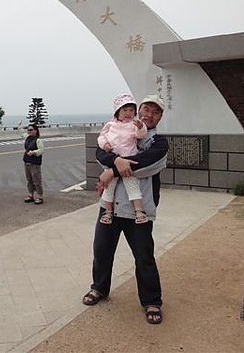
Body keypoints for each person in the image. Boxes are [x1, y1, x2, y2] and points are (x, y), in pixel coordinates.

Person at [82, 95, 168, 325]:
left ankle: (152, 300)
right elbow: (101, 153)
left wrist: (112, 170)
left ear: (160, 117)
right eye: (146, 109)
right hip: (110, 206)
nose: (149, 114)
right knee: (101, 250)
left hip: (138, 210)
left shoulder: (158, 142)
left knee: (144, 257)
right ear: (139, 110)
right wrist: (116, 161)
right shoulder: (121, 129)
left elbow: (146, 165)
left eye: (155, 112)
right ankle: (99, 288)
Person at [96, 93, 148, 225]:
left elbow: (140, 135)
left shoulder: (134, 124)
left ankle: (138, 210)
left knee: (132, 186)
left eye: (131, 110)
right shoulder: (110, 125)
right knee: (109, 187)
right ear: (117, 111)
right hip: (114, 160)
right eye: (124, 110)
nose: (128, 113)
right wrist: (105, 145)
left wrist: (141, 127)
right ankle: (108, 211)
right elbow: (101, 138)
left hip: (128, 161)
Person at [18, 121, 45, 204]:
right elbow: (22, 133)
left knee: (36, 180)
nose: (29, 131)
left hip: (35, 163)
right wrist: (19, 126)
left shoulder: (38, 140)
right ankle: (31, 195)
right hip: (27, 162)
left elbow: (41, 150)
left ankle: (40, 197)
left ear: (35, 130)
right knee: (29, 180)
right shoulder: (27, 138)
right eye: (28, 130)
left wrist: (34, 152)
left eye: (31, 130)